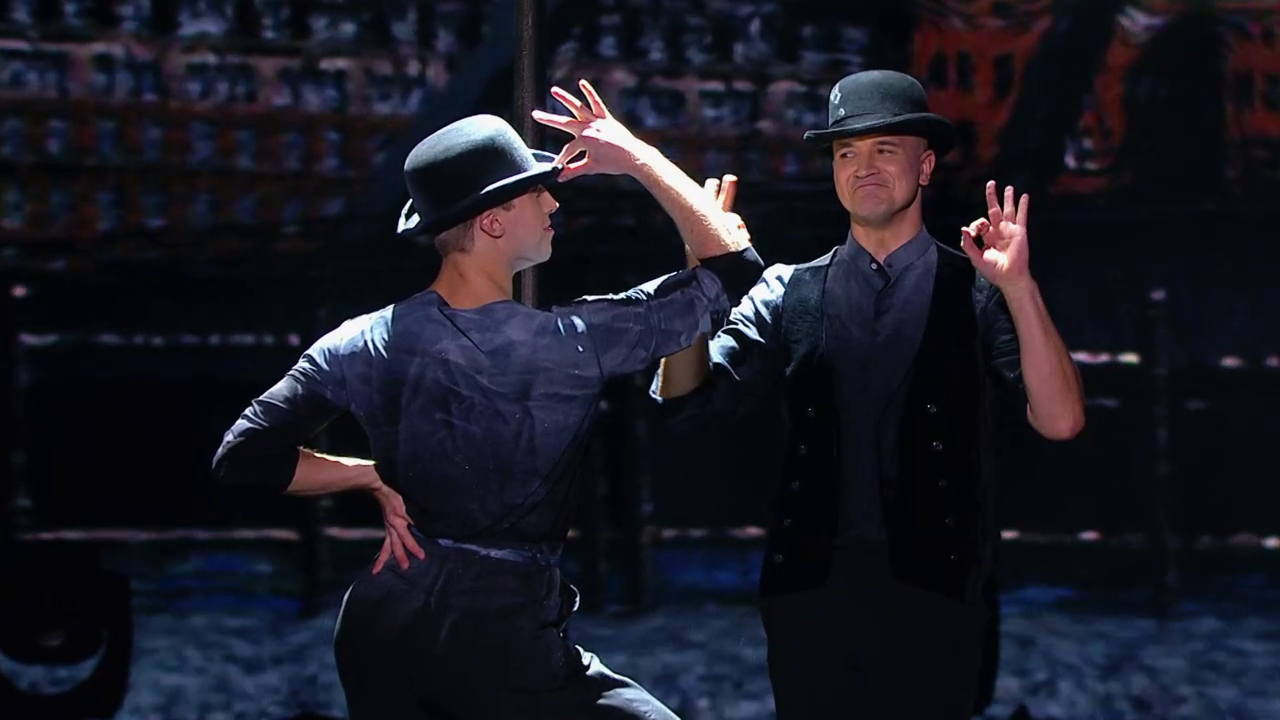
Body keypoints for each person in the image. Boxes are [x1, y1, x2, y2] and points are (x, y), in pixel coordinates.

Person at [210, 79, 763, 719]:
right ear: (494, 221)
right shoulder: (568, 343)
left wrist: (370, 475)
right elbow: (736, 269)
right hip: (495, 636)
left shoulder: (357, 341)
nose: (553, 202)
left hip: (382, 624)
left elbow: (242, 458)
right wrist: (635, 155)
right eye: (536, 193)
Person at [652, 69, 1086, 719]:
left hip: (937, 594)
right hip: (811, 596)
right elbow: (687, 403)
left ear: (925, 166)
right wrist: (696, 278)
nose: (864, 168)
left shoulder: (976, 290)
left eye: (885, 148)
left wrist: (1019, 288)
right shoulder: (787, 290)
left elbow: (1060, 421)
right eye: (847, 152)